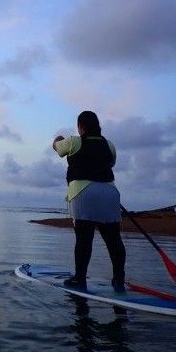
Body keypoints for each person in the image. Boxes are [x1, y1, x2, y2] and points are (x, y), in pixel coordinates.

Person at [53, 110, 126, 292]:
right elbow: (110, 164)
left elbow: (58, 148)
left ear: (80, 127)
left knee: (84, 239)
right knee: (114, 240)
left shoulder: (74, 141)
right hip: (109, 192)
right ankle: (118, 279)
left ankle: (80, 279)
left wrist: (57, 139)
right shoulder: (109, 145)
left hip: (84, 193)